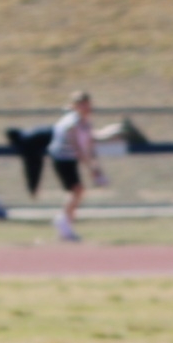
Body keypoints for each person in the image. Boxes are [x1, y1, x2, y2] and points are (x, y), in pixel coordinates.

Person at [45, 91, 121, 243]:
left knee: (77, 191)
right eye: (81, 104)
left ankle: (65, 225)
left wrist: (96, 169)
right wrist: (92, 169)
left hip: (70, 158)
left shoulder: (85, 122)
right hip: (62, 159)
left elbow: (90, 145)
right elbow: (79, 148)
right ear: (74, 106)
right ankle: (63, 222)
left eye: (87, 104)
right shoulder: (72, 123)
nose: (85, 107)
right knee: (77, 190)